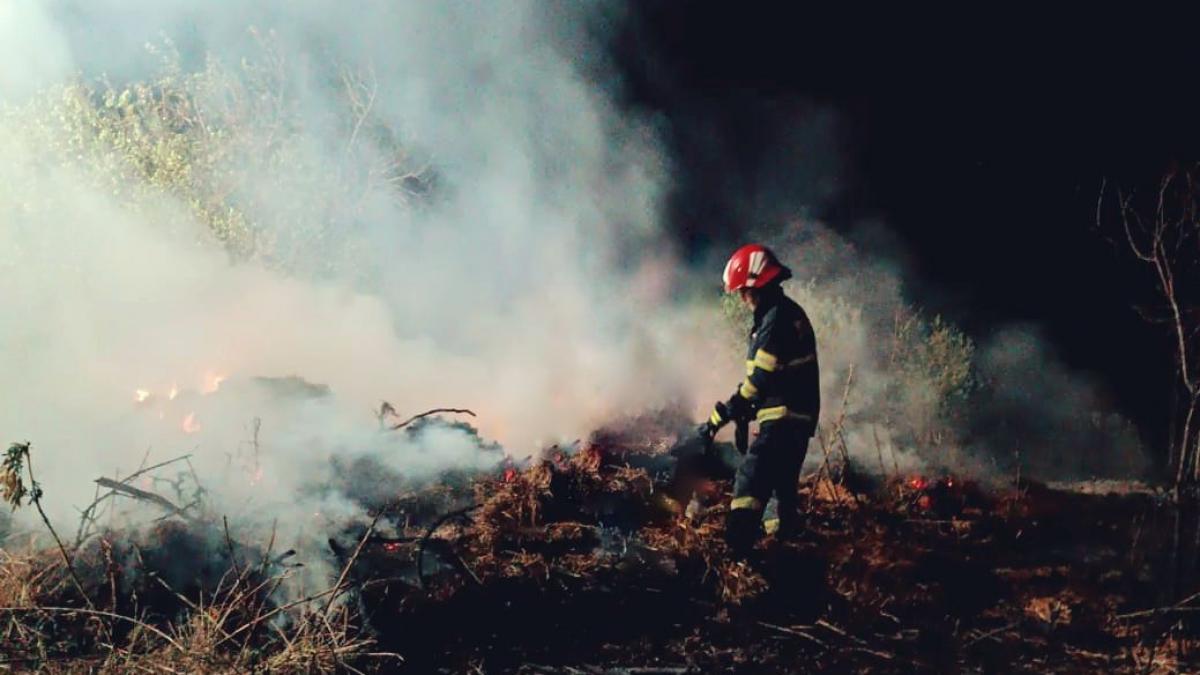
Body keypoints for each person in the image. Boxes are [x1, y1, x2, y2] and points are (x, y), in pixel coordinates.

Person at [700, 243, 820, 556]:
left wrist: (724, 415)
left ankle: (736, 551)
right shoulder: (780, 315)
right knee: (781, 492)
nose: (741, 298)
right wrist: (741, 415)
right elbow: (765, 378)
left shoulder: (776, 320)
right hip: (793, 417)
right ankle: (785, 554)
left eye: (744, 291)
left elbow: (760, 381)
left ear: (759, 285)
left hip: (785, 417)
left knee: (751, 478)